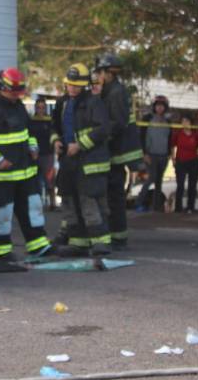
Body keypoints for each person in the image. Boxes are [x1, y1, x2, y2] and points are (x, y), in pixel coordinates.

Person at [0, 68, 54, 261]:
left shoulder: (18, 106)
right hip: (0, 177)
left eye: (19, 91)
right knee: (3, 213)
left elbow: (28, 132)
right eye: (13, 91)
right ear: (1, 87)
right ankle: (0, 251)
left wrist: (33, 148)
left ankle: (38, 245)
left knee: (33, 207)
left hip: (24, 172)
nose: (17, 95)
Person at [51, 63, 112, 257]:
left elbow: (103, 129)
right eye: (70, 84)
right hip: (68, 160)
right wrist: (56, 141)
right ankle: (78, 242)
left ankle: (100, 242)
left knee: (89, 201)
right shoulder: (62, 103)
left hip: (89, 160)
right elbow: (54, 127)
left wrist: (80, 145)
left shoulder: (93, 102)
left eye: (77, 85)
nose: (73, 88)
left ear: (85, 85)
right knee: (69, 199)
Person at [94, 54, 143, 250]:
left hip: (117, 152)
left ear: (108, 73)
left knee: (114, 196)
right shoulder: (110, 90)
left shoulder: (115, 93)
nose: (98, 76)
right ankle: (116, 235)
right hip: (114, 151)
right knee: (112, 195)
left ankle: (118, 237)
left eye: (100, 73)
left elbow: (118, 123)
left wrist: (99, 133)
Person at [136, 95, 172, 212]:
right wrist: (145, 153)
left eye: (162, 106)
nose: (160, 108)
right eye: (158, 105)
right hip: (151, 154)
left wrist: (169, 153)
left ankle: (156, 207)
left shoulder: (168, 121)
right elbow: (141, 136)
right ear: (154, 106)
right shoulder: (147, 119)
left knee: (159, 181)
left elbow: (170, 138)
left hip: (163, 155)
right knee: (151, 178)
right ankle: (138, 202)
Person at [171, 115, 198, 213]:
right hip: (180, 161)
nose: (184, 123)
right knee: (180, 185)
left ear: (190, 122)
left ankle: (190, 207)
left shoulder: (196, 133)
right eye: (183, 121)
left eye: (186, 121)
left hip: (193, 161)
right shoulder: (178, 133)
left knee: (192, 186)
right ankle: (178, 208)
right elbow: (172, 146)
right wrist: (173, 159)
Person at [29, 98, 57, 210]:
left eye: (43, 107)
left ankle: (52, 203)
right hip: (35, 155)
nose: (40, 110)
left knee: (50, 180)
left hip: (48, 154)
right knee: (36, 182)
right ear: (35, 108)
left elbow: (54, 135)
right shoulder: (31, 121)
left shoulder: (50, 121)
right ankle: (38, 204)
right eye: (38, 107)